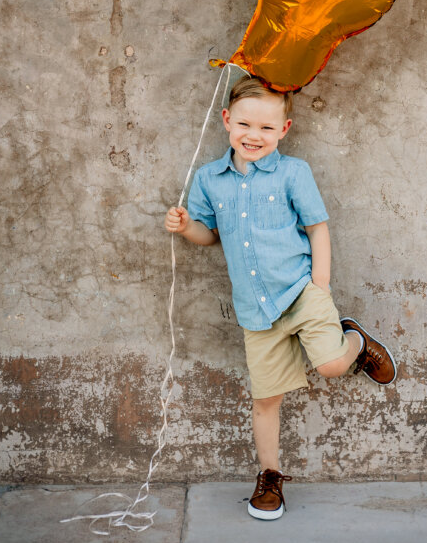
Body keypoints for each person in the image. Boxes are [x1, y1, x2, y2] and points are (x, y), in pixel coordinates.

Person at [164, 76, 396, 519]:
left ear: (284, 129)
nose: (254, 136)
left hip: (301, 292)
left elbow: (317, 227)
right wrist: (183, 227)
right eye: (246, 125)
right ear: (228, 120)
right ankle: (269, 477)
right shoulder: (210, 178)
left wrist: (320, 286)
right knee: (265, 399)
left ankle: (356, 344)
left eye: (267, 128)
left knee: (330, 366)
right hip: (256, 309)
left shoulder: (294, 173)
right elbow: (207, 235)